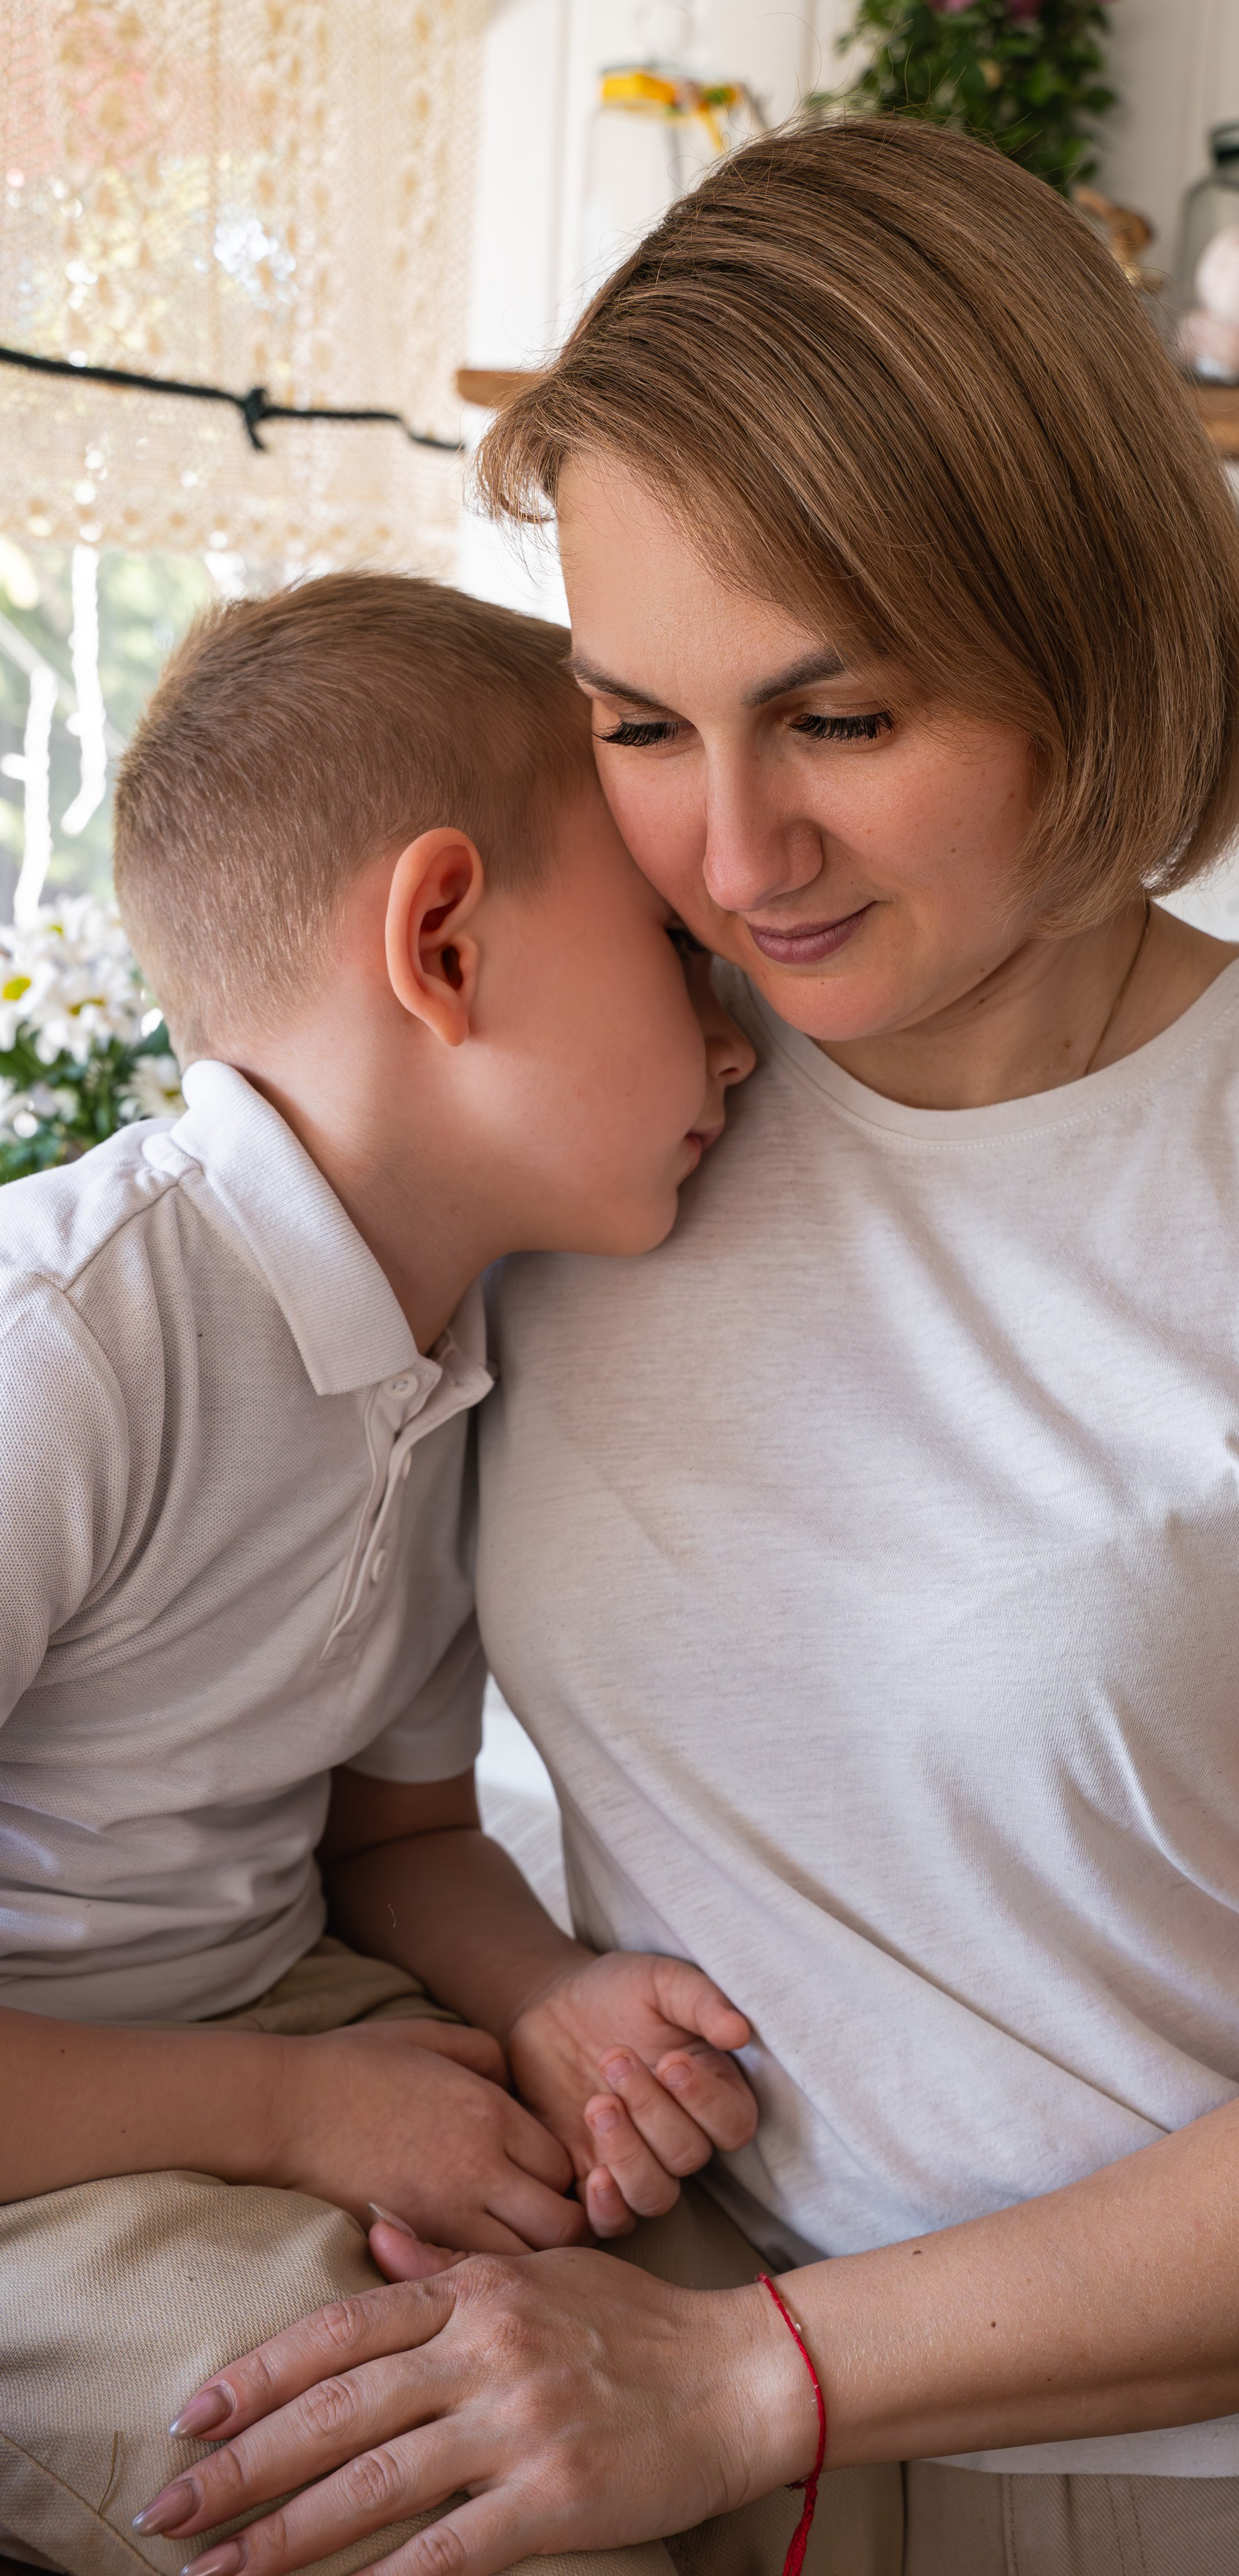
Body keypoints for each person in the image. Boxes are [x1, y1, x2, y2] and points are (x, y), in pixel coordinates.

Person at [145, 123, 1239, 2576]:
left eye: (840, 719)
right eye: (638, 725)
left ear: (1082, 645)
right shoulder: (589, 1134)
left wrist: (748, 2378)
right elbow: (367, 1804)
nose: (736, 858)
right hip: (764, 2474)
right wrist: (549, 2016)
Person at [0, 574, 894, 2576]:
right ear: (445, 941)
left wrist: (551, 1998)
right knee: (511, 2529)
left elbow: (395, 1838)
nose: (741, 1039)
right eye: (682, 948)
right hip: (44, 2177)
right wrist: (299, 2119)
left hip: (272, 2025)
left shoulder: (451, 1353)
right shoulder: (69, 1342)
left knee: (773, 2432)